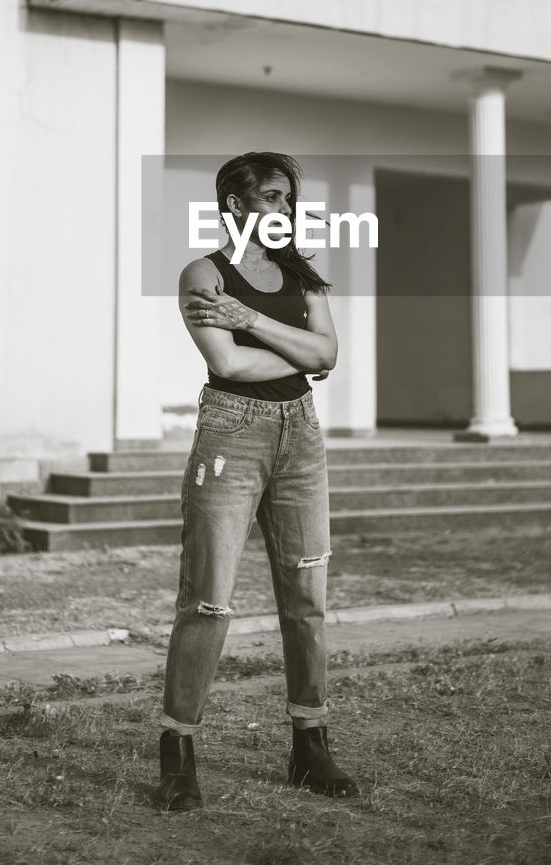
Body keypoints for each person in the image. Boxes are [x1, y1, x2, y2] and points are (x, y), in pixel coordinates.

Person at [156, 151, 359, 812]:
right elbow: (227, 363)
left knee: (306, 598)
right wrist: (288, 346)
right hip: (231, 435)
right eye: (271, 196)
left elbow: (327, 356)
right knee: (208, 600)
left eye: (288, 197)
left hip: (300, 434)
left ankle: (310, 746)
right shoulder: (201, 274)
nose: (284, 208)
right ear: (235, 204)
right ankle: (177, 755)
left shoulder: (303, 278)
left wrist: (252, 322)